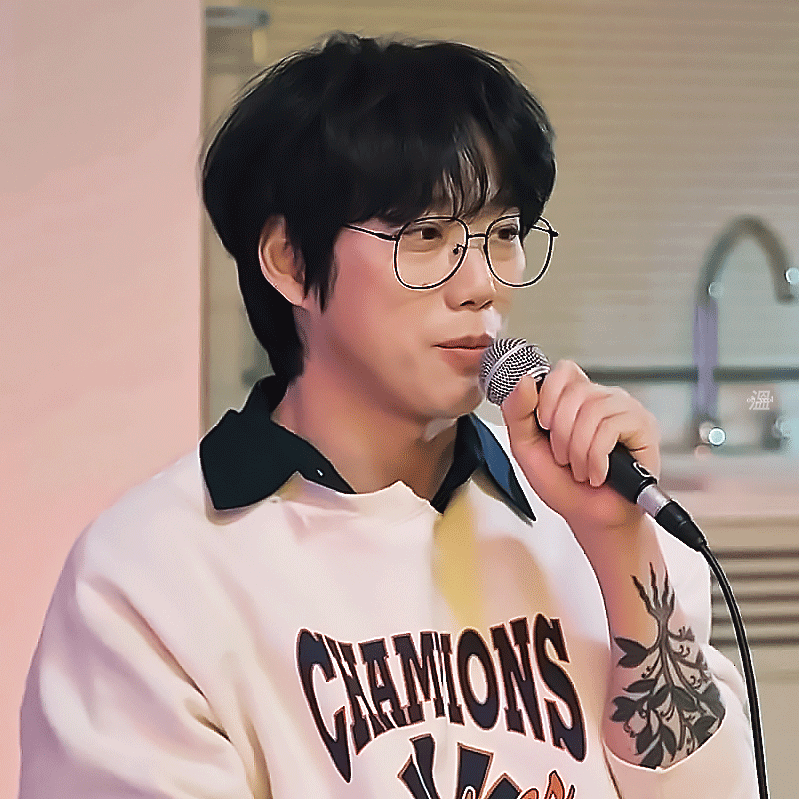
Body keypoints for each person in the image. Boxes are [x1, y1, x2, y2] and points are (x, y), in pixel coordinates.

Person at [19, 32, 757, 798]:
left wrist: (619, 544)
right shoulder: (151, 571)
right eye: (426, 235)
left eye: (502, 234)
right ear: (290, 262)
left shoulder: (588, 507)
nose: (481, 284)